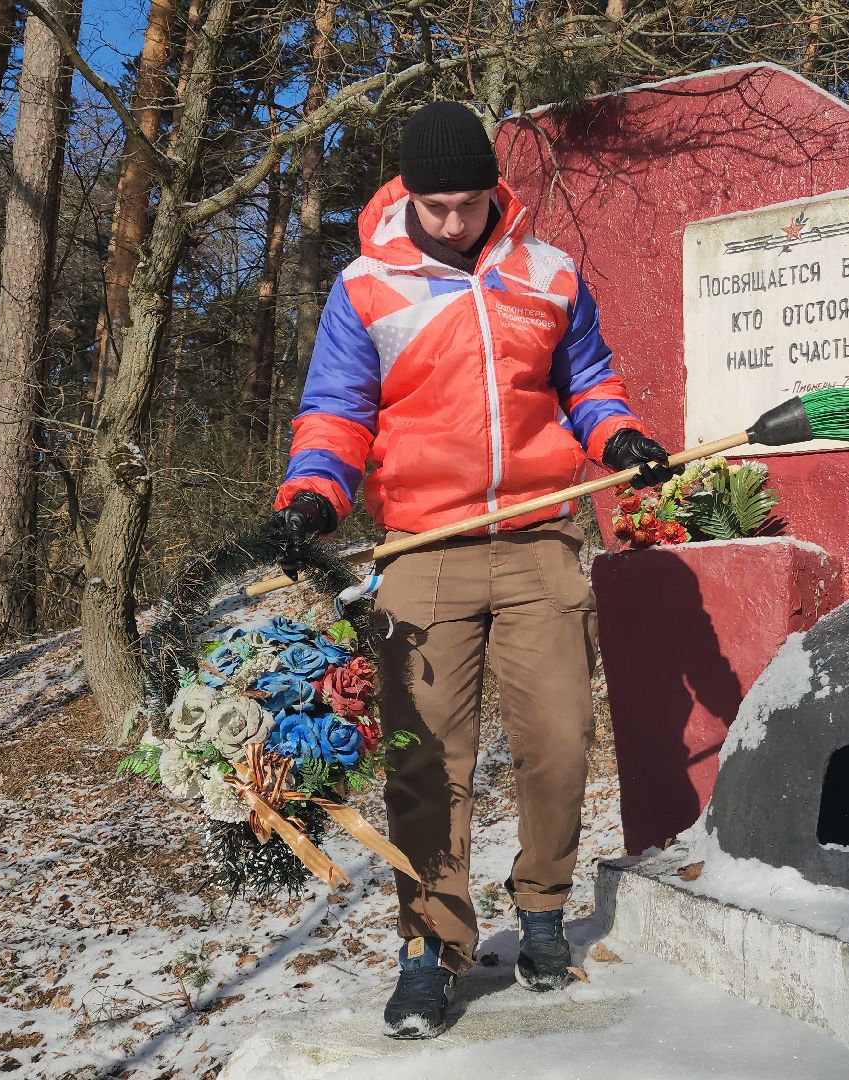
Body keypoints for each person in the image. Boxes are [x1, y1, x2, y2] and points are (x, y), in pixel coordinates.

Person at [271, 101, 677, 1038]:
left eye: (467, 203)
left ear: (494, 189)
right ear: (408, 195)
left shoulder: (550, 273)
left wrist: (619, 438)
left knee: (560, 740)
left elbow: (588, 383)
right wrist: (314, 495)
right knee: (426, 760)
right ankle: (431, 946)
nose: (453, 222)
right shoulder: (367, 287)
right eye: (435, 206)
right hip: (423, 549)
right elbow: (337, 411)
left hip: (539, 539)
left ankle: (542, 909)